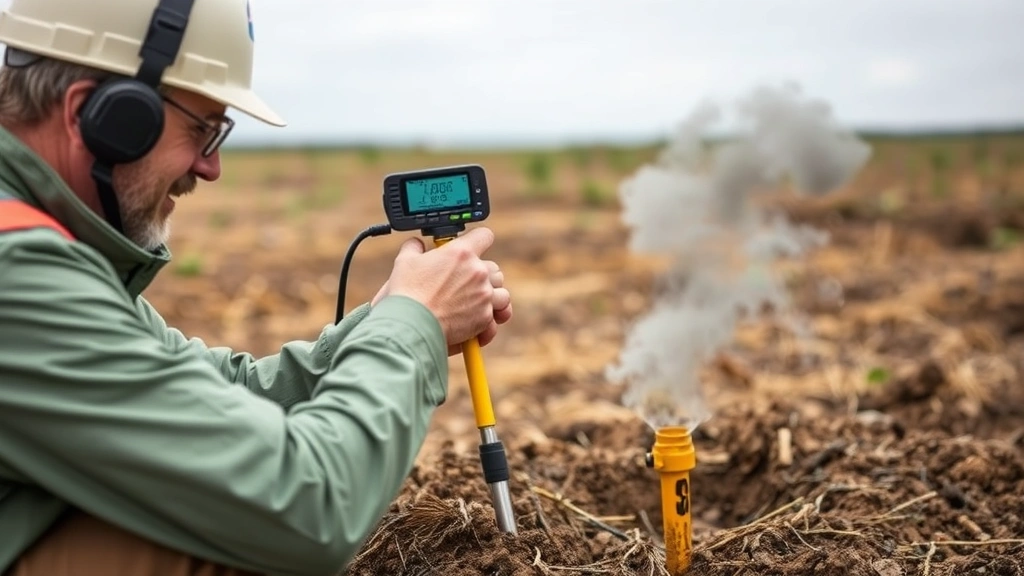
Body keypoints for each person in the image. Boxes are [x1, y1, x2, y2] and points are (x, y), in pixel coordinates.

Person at [0, 0, 513, 575]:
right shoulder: (17, 275)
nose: (210, 167)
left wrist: (385, 319)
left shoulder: (41, 247)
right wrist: (415, 324)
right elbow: (310, 505)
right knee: (220, 537)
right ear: (98, 115)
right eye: (202, 129)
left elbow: (215, 393)